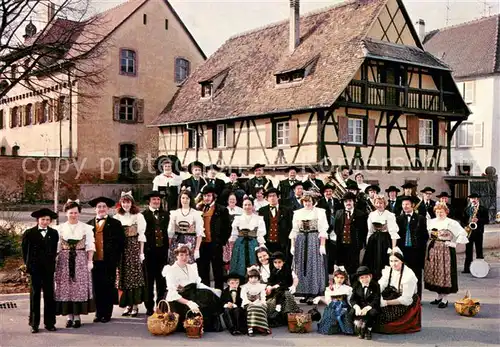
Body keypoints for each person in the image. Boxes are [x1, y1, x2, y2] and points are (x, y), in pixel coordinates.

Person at [54, 200, 95, 328]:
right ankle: (69, 316)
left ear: (79, 213)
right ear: (66, 213)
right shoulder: (59, 228)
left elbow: (90, 246)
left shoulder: (86, 228)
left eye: (76, 213)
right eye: (71, 213)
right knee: (66, 287)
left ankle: (77, 316)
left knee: (78, 287)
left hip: (80, 260)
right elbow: (57, 248)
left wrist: (90, 261)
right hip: (64, 260)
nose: (73, 215)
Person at [163, 245, 223, 332]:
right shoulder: (171, 270)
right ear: (176, 256)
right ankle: (192, 325)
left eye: (186, 255)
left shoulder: (192, 267)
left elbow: (198, 284)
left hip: (193, 292)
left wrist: (212, 290)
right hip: (179, 297)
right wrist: (188, 302)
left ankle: (206, 325)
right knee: (195, 305)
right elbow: (172, 292)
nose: (184, 257)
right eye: (181, 255)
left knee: (209, 295)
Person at [88, 196, 125, 323]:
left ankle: (107, 313)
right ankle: (99, 313)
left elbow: (121, 243)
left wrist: (115, 258)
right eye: (99, 207)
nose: (101, 209)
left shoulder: (115, 224)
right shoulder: (89, 224)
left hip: (109, 261)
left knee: (108, 286)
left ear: (108, 209)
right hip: (94, 261)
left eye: (104, 207)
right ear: (95, 209)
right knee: (97, 287)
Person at [424, 202, 468, 308]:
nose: (439, 214)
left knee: (444, 273)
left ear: (446, 212)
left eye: (442, 212)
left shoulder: (451, 222)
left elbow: (463, 233)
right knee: (435, 272)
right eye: (438, 212)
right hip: (433, 249)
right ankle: (439, 296)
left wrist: (454, 243)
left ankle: (445, 299)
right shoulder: (431, 222)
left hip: (446, 250)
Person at [22, 208, 59, 333]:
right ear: (38, 220)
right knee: (35, 295)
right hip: (35, 268)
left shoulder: (54, 233)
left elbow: (54, 251)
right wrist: (28, 267)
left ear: (50, 221)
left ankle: (50, 323)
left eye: (47, 220)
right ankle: (34, 323)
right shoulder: (29, 233)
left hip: (48, 269)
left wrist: (52, 265)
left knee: (49, 295)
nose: (45, 222)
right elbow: (25, 252)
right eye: (42, 219)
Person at [290, 194, 329, 304]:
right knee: (301, 266)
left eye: (309, 201)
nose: (307, 203)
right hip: (301, 240)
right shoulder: (297, 213)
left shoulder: (320, 212)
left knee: (313, 265)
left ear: (313, 201)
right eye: (305, 201)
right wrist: (292, 245)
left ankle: (314, 292)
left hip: (313, 240)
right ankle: (304, 292)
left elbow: (322, 229)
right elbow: (294, 230)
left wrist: (322, 245)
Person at [113, 192, 147, 317]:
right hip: (122, 248)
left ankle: (135, 305)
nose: (126, 204)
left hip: (133, 247)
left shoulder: (138, 216)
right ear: (120, 204)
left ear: (132, 203)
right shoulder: (117, 217)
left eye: (128, 202)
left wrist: (141, 252)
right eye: (123, 202)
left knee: (134, 277)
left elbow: (141, 235)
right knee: (124, 276)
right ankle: (127, 304)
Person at [376, 250, 421, 334]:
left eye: (396, 261)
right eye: (391, 261)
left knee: (385, 321)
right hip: (392, 294)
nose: (393, 264)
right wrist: (376, 296)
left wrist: (386, 302)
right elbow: (381, 285)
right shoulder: (388, 270)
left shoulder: (408, 275)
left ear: (402, 261)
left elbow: (406, 299)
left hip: (405, 300)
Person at [197, 186, 231, 290]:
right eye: (204, 196)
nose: (206, 198)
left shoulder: (222, 209)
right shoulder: (199, 209)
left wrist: (221, 241)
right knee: (203, 271)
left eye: (208, 196)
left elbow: (227, 228)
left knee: (218, 272)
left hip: (215, 245)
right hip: (202, 245)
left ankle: (218, 295)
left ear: (213, 196)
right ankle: (206, 295)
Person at [142, 191, 170, 316]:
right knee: (148, 281)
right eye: (154, 199)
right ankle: (149, 306)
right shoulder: (143, 215)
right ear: (149, 201)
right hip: (148, 253)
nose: (156, 201)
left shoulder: (166, 214)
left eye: (158, 199)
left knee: (161, 281)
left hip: (162, 252)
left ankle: (161, 305)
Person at [395, 196, 428, 297]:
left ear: (412, 205)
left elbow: (424, 235)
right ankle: (404, 296)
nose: (405, 206)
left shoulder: (421, 218)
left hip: (416, 251)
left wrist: (421, 249)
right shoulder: (398, 219)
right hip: (403, 251)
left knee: (416, 275)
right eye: (403, 204)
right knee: (403, 274)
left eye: (407, 204)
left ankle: (417, 297)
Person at [363, 195, 400, 280]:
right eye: (377, 203)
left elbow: (393, 232)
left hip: (385, 240)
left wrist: (393, 248)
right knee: (372, 262)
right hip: (374, 240)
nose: (379, 205)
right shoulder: (372, 215)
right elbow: (370, 231)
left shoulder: (389, 215)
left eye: (381, 203)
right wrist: (367, 244)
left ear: (384, 204)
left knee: (383, 261)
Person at [333, 192, 368, 278]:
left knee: (353, 266)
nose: (348, 203)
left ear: (354, 202)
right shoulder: (338, 213)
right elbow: (336, 228)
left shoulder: (361, 214)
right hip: (341, 245)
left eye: (350, 201)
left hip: (354, 245)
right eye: (346, 201)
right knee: (341, 266)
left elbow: (364, 231)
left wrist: (361, 244)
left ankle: (353, 284)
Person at [229, 198, 266, 278]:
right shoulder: (237, 218)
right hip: (240, 244)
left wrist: (261, 245)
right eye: (245, 205)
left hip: (253, 243)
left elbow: (260, 234)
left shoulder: (259, 218)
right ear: (242, 206)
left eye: (249, 205)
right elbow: (234, 234)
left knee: (253, 262)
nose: (247, 207)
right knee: (239, 262)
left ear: (253, 206)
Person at [167, 188, 204, 265]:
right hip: (176, 242)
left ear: (190, 200)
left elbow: (199, 233)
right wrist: (169, 248)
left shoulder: (196, 214)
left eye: (187, 198)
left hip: (190, 242)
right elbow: (170, 233)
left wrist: (197, 249)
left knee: (188, 265)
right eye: (183, 198)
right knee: (176, 264)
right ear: (180, 199)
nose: (185, 200)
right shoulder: (175, 213)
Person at [315, 266, 353, 335]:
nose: (339, 279)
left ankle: (343, 327)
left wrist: (351, 309)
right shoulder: (329, 288)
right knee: (330, 318)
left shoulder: (348, 289)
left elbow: (350, 300)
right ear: (334, 278)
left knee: (345, 315)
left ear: (345, 278)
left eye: (342, 278)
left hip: (344, 308)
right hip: (332, 307)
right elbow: (328, 301)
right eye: (337, 277)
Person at [265, 251, 301, 326]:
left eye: (279, 262)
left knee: (285, 295)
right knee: (270, 301)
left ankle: (282, 310)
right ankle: (274, 316)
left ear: (283, 262)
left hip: (284, 288)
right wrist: (269, 285)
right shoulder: (274, 270)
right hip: (275, 290)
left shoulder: (287, 270)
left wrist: (276, 285)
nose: (277, 264)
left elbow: (286, 281)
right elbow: (271, 280)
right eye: (275, 262)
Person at [258, 188, 293, 256]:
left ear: (278, 197)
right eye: (270, 196)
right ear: (267, 198)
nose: (272, 198)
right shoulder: (262, 210)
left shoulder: (287, 210)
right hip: (267, 243)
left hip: (282, 243)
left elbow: (290, 226)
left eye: (274, 196)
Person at [349, 266, 380, 340]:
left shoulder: (375, 285)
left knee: (372, 313)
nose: (364, 280)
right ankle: (358, 327)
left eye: (366, 277)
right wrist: (357, 307)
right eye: (362, 278)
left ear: (370, 276)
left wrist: (366, 308)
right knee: (351, 312)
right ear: (359, 279)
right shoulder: (356, 285)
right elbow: (352, 299)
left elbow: (376, 300)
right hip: (360, 306)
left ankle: (368, 329)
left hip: (371, 306)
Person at [316, 184, 341, 273]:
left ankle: (335, 270)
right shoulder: (320, 203)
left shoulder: (337, 201)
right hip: (325, 229)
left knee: (336, 250)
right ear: (323, 193)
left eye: (330, 191)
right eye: (326, 191)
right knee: (326, 250)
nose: (328, 193)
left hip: (336, 228)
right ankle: (326, 270)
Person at [462, 193, 489, 274]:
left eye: (475, 198)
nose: (473, 200)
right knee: (468, 251)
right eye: (471, 198)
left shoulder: (483, 209)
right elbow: (463, 220)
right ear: (469, 200)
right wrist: (465, 226)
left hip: (478, 232)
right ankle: (467, 269)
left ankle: (481, 268)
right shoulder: (466, 209)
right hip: (469, 232)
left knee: (479, 251)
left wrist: (478, 220)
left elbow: (487, 221)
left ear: (478, 199)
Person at [241, 267, 271, 336]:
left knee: (261, 308)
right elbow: (243, 297)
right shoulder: (245, 287)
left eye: (255, 278)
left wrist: (262, 302)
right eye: (251, 278)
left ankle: (262, 327)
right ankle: (250, 328)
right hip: (248, 303)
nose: (253, 280)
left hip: (259, 302)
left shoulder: (261, 286)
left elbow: (263, 296)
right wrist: (250, 302)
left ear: (258, 278)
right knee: (252, 309)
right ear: (248, 278)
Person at [223, 193, 244, 273]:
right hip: (227, 238)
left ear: (236, 201)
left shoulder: (241, 210)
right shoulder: (224, 210)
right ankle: (229, 274)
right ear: (228, 201)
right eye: (230, 199)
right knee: (227, 257)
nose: (232, 201)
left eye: (234, 199)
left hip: (237, 237)